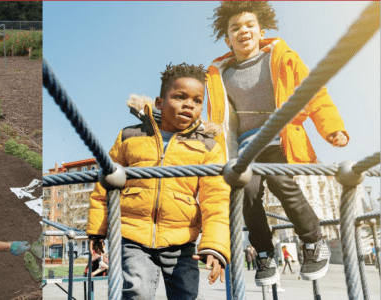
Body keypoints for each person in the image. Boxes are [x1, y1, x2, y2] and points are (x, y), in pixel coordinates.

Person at [206, 1, 349, 285]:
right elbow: (218, 120)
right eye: (235, 28)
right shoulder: (219, 74)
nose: (243, 31)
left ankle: (312, 242)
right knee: (245, 193)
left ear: (261, 31)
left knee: (282, 184)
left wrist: (331, 128)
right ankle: (263, 252)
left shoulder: (282, 57)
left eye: (250, 25)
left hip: (278, 138)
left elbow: (313, 93)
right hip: (245, 147)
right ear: (227, 38)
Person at [86, 63, 231, 300]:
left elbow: (216, 199)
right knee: (137, 293)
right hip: (133, 235)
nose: (189, 105)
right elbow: (105, 185)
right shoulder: (130, 137)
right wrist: (97, 229)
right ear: (160, 103)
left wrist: (214, 244)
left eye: (197, 100)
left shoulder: (207, 147)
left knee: (186, 295)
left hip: (182, 239)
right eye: (180, 97)